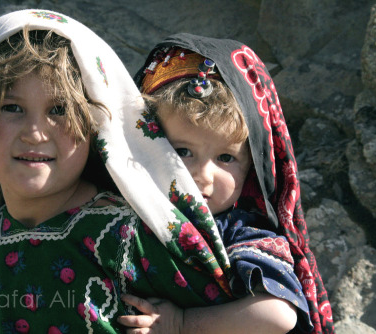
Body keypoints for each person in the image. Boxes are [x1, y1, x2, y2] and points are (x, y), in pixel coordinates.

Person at [0, 9, 304, 334]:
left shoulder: (133, 240)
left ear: (98, 127)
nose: (35, 133)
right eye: (11, 107)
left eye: (59, 109)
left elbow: (272, 317)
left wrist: (180, 323)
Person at [126, 34, 335, 334]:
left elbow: (279, 314)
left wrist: (182, 323)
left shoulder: (241, 234)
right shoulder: (118, 211)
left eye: (226, 157)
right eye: (182, 151)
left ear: (251, 169)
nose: (203, 175)